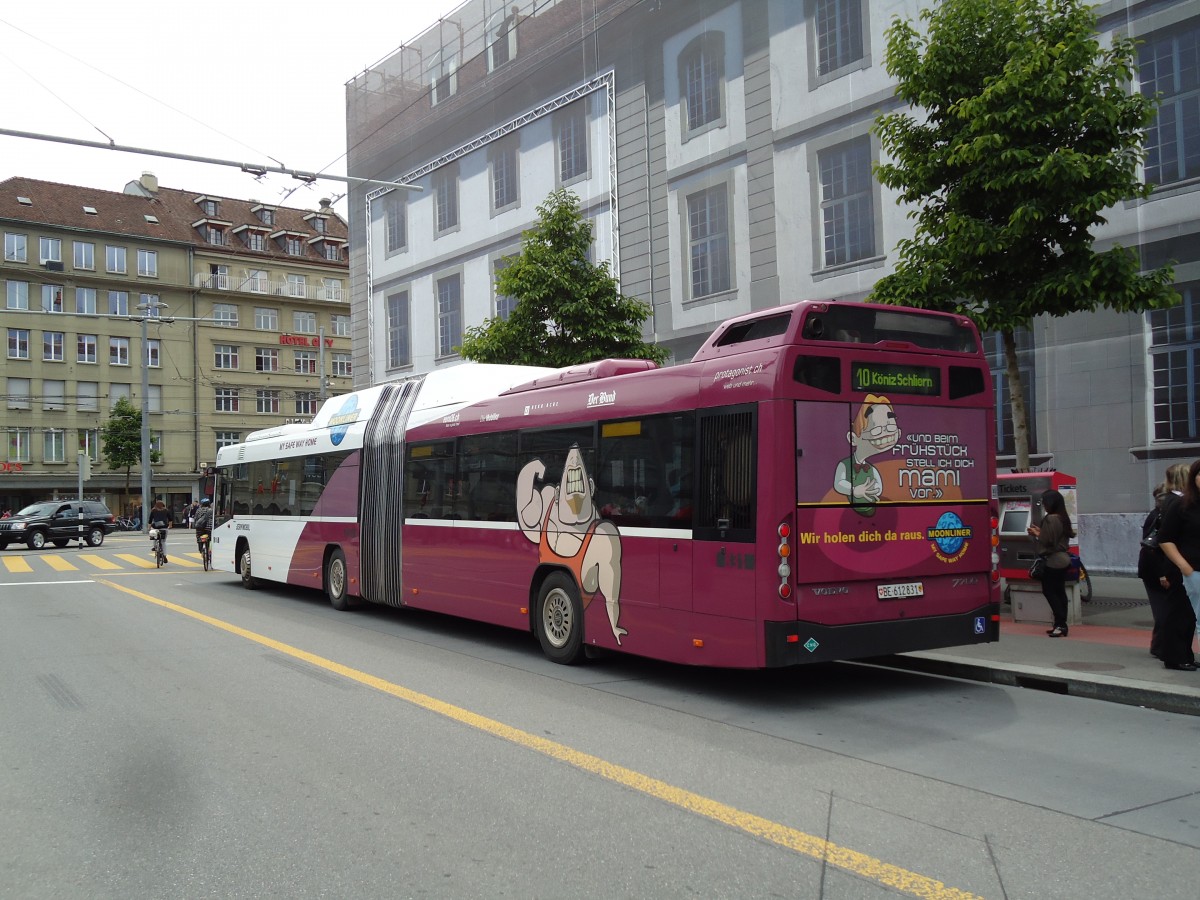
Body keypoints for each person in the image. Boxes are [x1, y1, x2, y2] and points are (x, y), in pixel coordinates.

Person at [1155, 459, 1200, 671]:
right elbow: (1165, 538)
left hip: (1189, 568)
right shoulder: (1179, 504)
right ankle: (1175, 656)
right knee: (1180, 614)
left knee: (1191, 617)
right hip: (1185, 569)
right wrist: (1184, 567)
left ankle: (1186, 655)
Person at [1026, 489, 1074, 638]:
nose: (1044, 506)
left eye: (1044, 502)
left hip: (1054, 561)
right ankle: (1061, 624)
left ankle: (1060, 624)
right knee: (1059, 592)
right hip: (1064, 559)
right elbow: (1056, 537)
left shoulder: (1050, 518)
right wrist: (1042, 532)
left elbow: (1048, 541)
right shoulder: (1063, 517)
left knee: (1050, 591)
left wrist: (1037, 534)